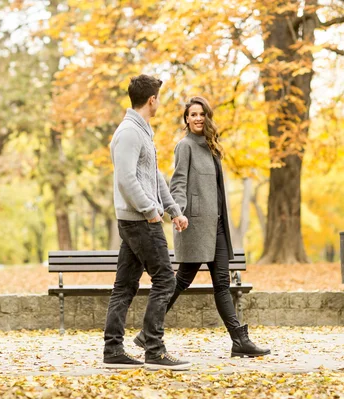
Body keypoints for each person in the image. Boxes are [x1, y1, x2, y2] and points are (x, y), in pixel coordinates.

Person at [134, 96, 270, 358]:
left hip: (217, 226)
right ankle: (147, 332)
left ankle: (239, 340)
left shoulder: (211, 147)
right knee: (182, 280)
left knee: (221, 282)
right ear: (186, 119)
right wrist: (178, 214)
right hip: (194, 225)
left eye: (202, 114)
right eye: (192, 114)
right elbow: (178, 184)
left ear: (207, 117)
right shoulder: (184, 146)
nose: (197, 118)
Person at [103, 74, 191, 370]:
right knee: (165, 279)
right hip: (140, 221)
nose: (160, 103)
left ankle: (112, 350)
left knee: (125, 286)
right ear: (152, 99)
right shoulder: (129, 132)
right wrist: (152, 211)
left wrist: (173, 210)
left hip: (138, 218)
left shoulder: (142, 131)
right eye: (159, 98)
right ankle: (154, 349)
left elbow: (155, 178)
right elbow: (126, 179)